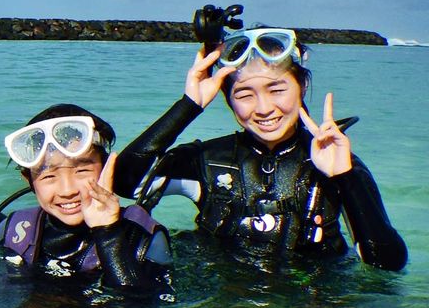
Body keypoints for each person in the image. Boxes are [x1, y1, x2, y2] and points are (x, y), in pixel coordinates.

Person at [112, 25, 407, 271]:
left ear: (301, 87)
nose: (264, 108)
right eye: (245, 94)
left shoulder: (337, 162)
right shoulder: (207, 161)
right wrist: (189, 106)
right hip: (223, 307)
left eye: (277, 89)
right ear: (228, 100)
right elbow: (124, 181)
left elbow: (387, 264)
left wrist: (346, 177)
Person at [0, 105, 172, 291]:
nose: (67, 190)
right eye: (49, 176)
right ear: (29, 181)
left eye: (82, 171)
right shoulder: (17, 230)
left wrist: (108, 233)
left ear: (106, 170)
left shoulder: (143, 238)